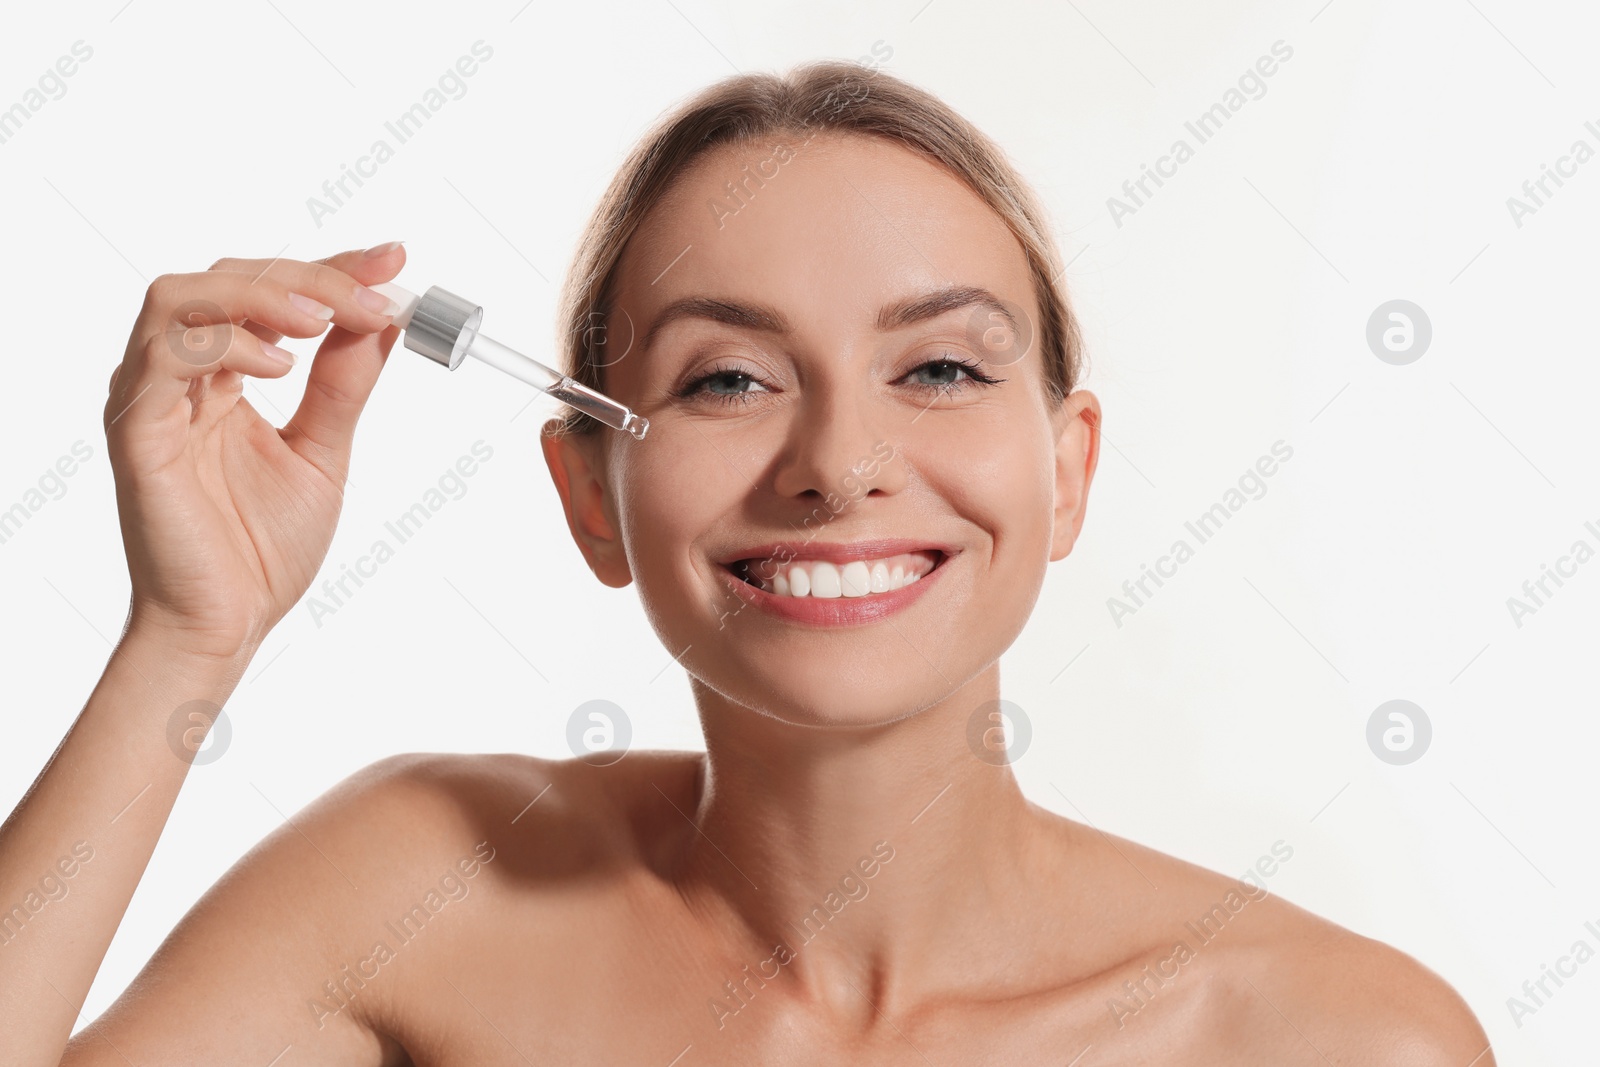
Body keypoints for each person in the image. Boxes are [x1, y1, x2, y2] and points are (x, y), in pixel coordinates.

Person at [1, 59, 1493, 1065]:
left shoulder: (1332, 1035)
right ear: (591, 491)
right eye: (727, 380)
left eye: (943, 371)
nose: (838, 464)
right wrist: (185, 641)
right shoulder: (423, 887)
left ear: (1071, 468)